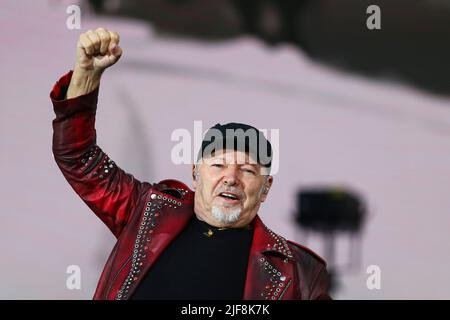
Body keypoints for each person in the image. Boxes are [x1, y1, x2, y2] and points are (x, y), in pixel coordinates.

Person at [50, 27, 331, 300]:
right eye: (219, 165)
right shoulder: (147, 210)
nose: (231, 178)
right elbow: (79, 158)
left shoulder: (298, 272)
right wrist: (85, 77)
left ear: (266, 188)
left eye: (247, 170)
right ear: (196, 173)